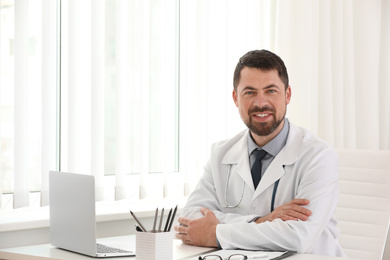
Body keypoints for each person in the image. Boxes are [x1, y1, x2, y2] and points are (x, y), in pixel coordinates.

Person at [174, 50, 346, 257]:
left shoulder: (318, 156)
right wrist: (262, 221)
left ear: (287, 95)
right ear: (235, 98)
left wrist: (216, 232)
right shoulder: (221, 153)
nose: (260, 102)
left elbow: (300, 236)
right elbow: (190, 220)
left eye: (271, 91)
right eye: (250, 92)